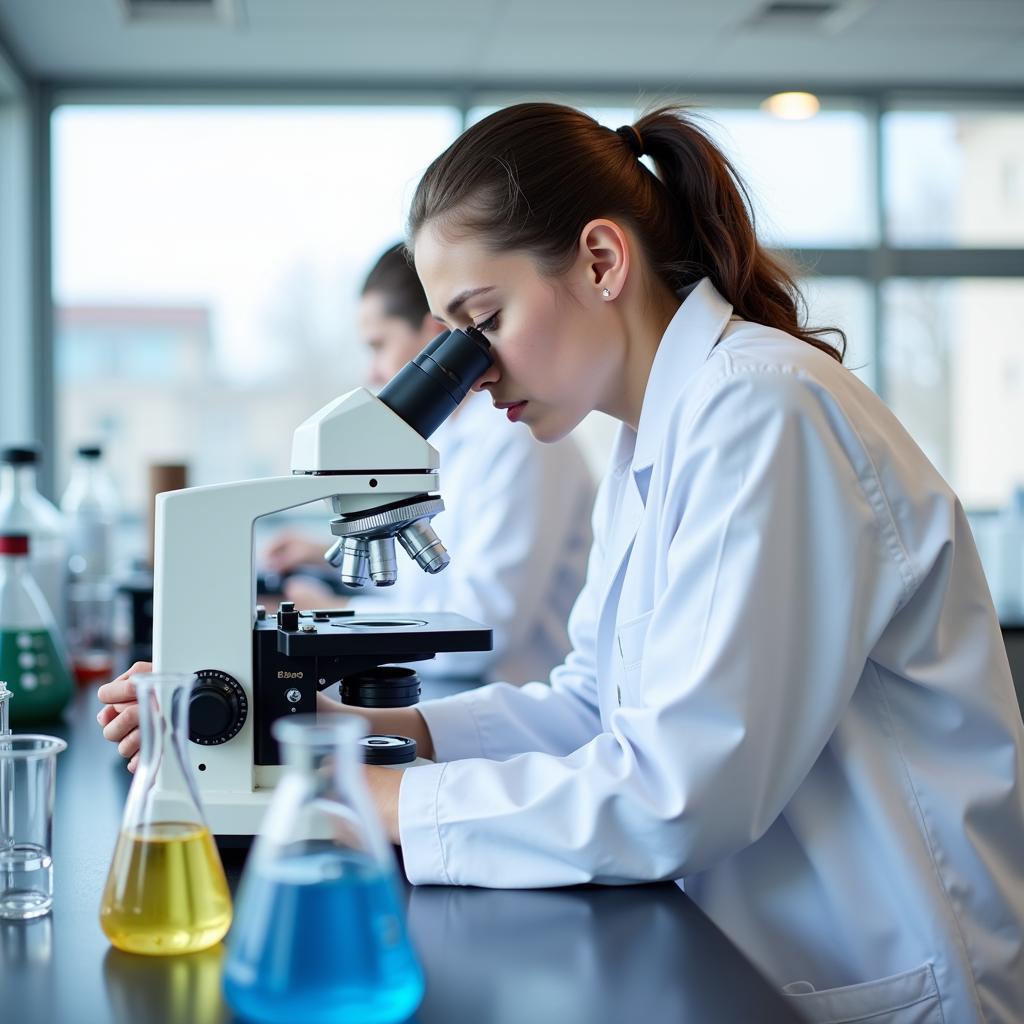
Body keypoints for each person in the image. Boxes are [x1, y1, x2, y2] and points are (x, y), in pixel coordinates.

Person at [99, 104, 1024, 1022]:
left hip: (887, 971)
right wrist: (354, 734)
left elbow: (679, 789)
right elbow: (594, 702)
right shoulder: (656, 430)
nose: (475, 369)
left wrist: (378, 802)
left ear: (600, 261)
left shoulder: (762, 411)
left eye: (483, 319)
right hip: (757, 957)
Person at [262, 243, 595, 685]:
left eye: (379, 345)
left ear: (436, 333)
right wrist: (324, 565)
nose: (373, 372)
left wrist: (337, 615)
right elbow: (433, 588)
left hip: (519, 702)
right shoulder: (452, 439)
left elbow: (484, 620)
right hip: (463, 691)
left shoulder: (520, 438)